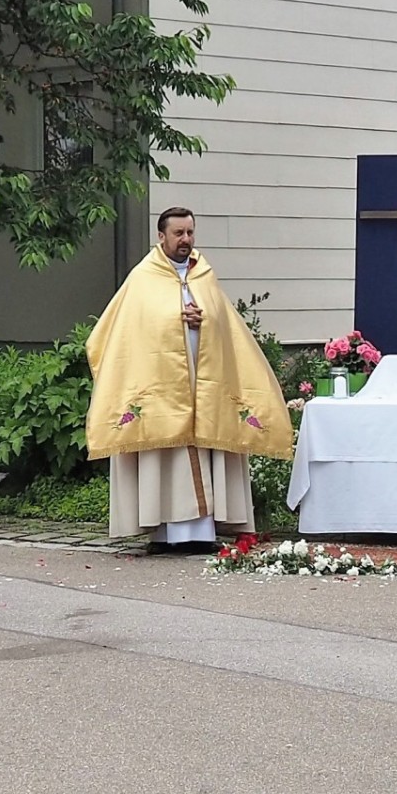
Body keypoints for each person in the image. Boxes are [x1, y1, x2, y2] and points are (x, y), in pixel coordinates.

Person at [83, 208, 295, 552]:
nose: (186, 240)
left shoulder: (204, 276)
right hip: (161, 389)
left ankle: (201, 533)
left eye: (190, 233)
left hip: (203, 385)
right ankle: (163, 534)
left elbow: (226, 326)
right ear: (161, 236)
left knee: (203, 451)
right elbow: (122, 330)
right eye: (179, 233)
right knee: (162, 460)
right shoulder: (143, 278)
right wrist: (173, 321)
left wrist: (203, 322)